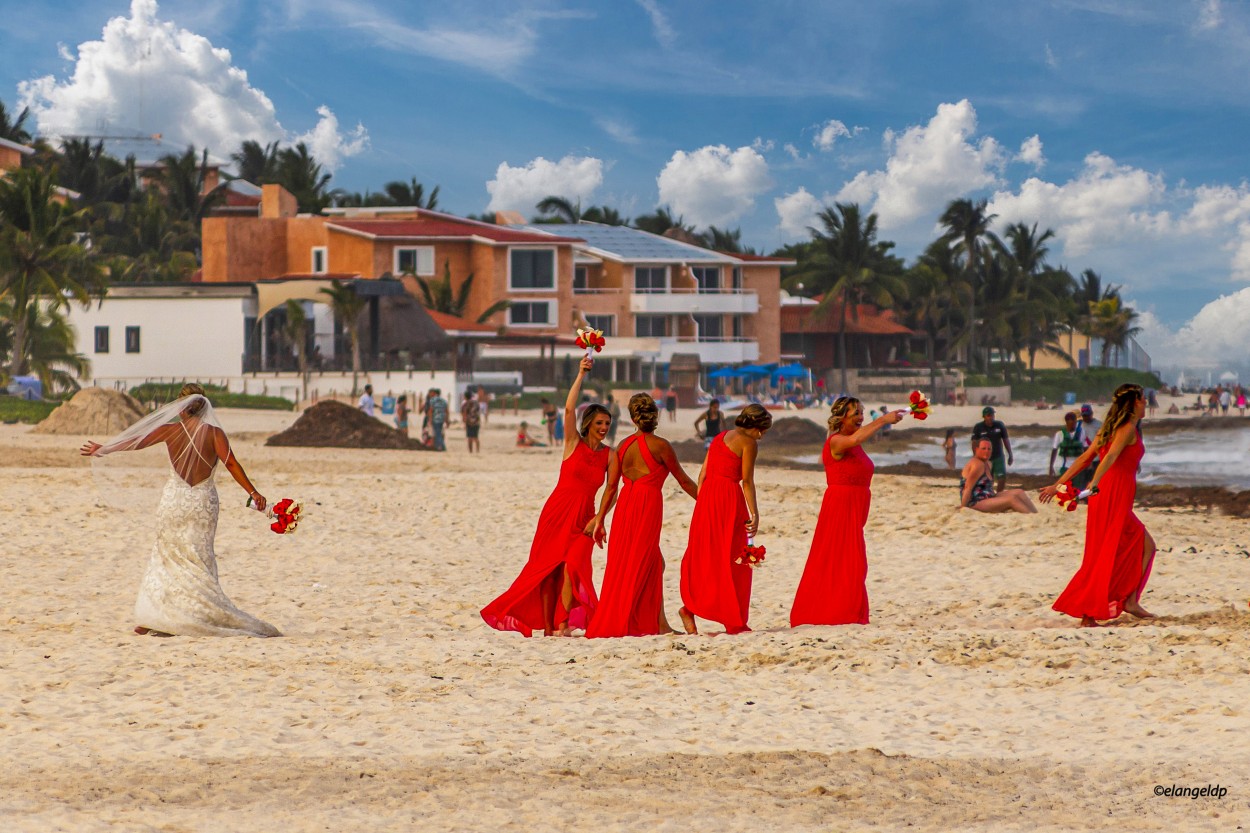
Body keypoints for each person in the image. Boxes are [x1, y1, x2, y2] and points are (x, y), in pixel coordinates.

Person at [79, 384, 280, 637]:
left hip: (174, 501)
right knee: (198, 557)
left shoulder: (170, 430)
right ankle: (192, 613)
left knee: (167, 554)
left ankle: (155, 617)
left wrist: (104, 448)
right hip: (202, 503)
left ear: (181, 408)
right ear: (203, 406)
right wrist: (254, 493)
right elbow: (230, 463)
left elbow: (137, 442)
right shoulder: (214, 433)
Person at [482, 358, 615, 637]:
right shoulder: (572, 443)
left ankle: (564, 623)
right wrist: (581, 373)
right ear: (589, 423)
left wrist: (600, 519)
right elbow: (568, 408)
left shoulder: (609, 454)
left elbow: (612, 490)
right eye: (600, 422)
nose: (604, 427)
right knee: (546, 571)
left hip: (584, 518)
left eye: (608, 423)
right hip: (557, 512)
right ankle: (549, 626)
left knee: (574, 566)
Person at [1041, 384, 1158, 627]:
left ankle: (1114, 605)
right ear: (1134, 402)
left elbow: (1086, 458)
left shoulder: (1110, 428)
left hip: (1108, 494)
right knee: (1137, 547)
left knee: (1107, 552)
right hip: (1111, 493)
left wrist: (1057, 485)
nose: (1146, 403)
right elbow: (1111, 456)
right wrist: (1093, 481)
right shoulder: (1125, 429)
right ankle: (1118, 604)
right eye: (1143, 399)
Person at [587, 394, 698, 638]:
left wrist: (601, 518)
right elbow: (684, 481)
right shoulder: (661, 445)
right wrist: (706, 502)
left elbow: (612, 487)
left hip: (626, 505)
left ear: (632, 417)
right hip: (647, 505)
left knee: (642, 562)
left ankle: (659, 623)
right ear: (655, 415)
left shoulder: (622, 446)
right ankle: (657, 624)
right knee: (648, 562)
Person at [790, 398, 905, 627]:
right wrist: (883, 420)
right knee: (845, 562)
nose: (860, 417)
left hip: (855, 508)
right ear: (842, 417)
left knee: (852, 562)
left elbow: (858, 439)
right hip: (840, 507)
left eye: (862, 412)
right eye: (855, 413)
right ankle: (837, 614)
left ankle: (845, 611)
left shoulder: (854, 443)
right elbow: (856, 438)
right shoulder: (837, 441)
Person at [678, 403, 772, 635]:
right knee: (735, 560)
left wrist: (703, 503)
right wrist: (755, 513)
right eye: (763, 431)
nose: (762, 436)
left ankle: (690, 608)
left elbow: (703, 474)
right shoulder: (748, 443)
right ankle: (734, 620)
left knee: (708, 556)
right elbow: (747, 481)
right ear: (758, 428)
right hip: (729, 499)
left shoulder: (720, 436)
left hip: (708, 498)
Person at [959, 439, 1038, 513]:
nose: (986, 451)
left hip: (988, 496)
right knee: (1012, 499)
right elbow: (967, 488)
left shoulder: (988, 464)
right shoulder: (977, 464)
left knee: (1019, 492)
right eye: (983, 448)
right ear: (976, 449)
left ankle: (1034, 514)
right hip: (975, 502)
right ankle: (1029, 514)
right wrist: (963, 507)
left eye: (989, 449)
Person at [970, 406, 1012, 493]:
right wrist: (976, 457)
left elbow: (1006, 440)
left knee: (1002, 477)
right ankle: (989, 494)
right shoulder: (978, 427)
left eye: (992, 415)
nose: (991, 417)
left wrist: (1010, 454)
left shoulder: (999, 425)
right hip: (985, 458)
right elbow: (974, 443)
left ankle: (999, 494)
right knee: (988, 479)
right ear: (984, 417)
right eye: (989, 415)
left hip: (998, 456)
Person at [1072, 403, 1102, 492]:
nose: (1086, 418)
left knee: (1094, 478)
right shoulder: (1078, 425)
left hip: (1096, 457)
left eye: (1088, 415)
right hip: (1083, 457)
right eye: (1084, 416)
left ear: (1092, 414)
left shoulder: (1099, 425)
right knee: (1082, 479)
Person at [1048, 411, 1084, 477]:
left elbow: (1086, 449)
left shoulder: (1081, 433)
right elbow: (1054, 450)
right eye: (1072, 422)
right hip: (1064, 467)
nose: (1074, 424)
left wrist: (1089, 464)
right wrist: (1051, 467)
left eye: (1075, 422)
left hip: (1078, 467)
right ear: (1067, 422)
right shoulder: (1059, 434)